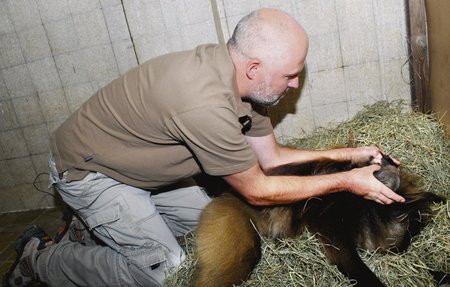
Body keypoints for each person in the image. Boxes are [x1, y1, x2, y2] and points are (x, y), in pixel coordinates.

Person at [5, 8, 405, 287]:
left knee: (217, 228)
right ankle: (42, 258)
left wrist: (345, 157)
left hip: (142, 172)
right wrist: (347, 183)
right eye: (291, 75)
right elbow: (258, 190)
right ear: (255, 68)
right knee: (166, 272)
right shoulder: (205, 102)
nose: (296, 85)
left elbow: (271, 158)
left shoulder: (245, 89)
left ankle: (94, 229)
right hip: (91, 173)